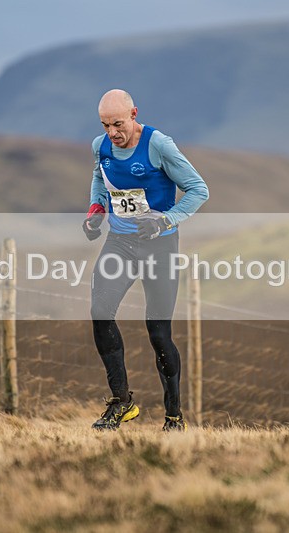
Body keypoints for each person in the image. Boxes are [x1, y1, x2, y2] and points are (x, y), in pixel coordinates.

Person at [83, 89, 209, 431]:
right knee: (100, 312)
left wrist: (164, 219)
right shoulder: (101, 146)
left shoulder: (159, 145)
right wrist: (97, 209)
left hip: (160, 247)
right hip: (120, 243)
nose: (112, 132)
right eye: (106, 125)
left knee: (158, 332)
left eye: (118, 123)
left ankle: (173, 416)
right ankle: (122, 402)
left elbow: (199, 190)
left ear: (134, 114)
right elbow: (101, 178)